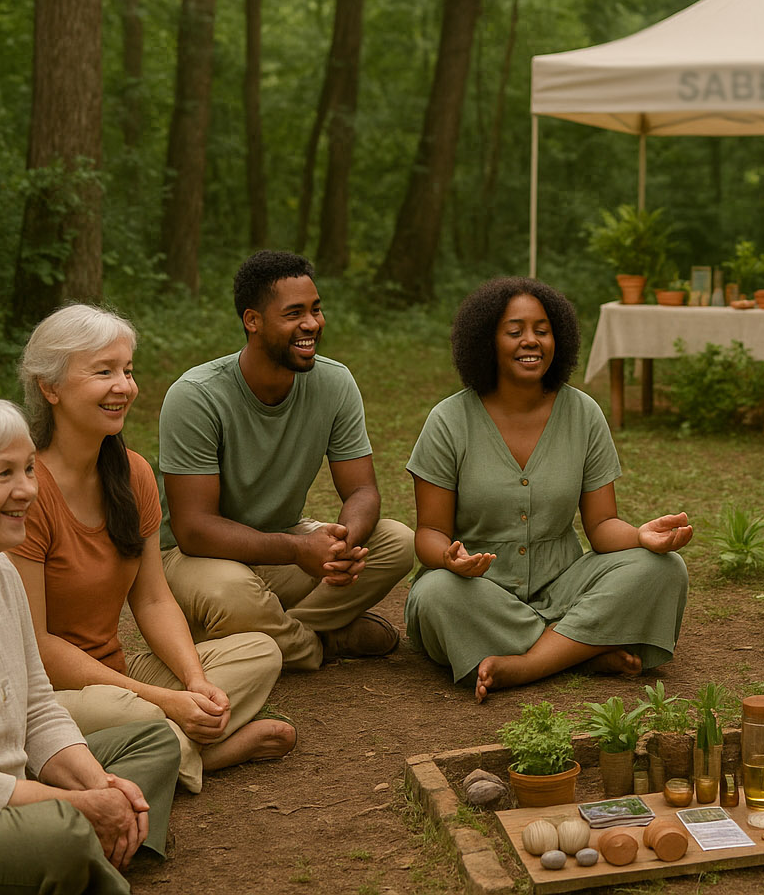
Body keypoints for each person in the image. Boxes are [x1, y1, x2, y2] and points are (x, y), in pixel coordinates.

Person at [9, 304, 295, 795]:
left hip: (118, 674)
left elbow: (154, 599)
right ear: (49, 388)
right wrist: (165, 700)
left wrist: (192, 681)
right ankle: (208, 753)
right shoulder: (25, 491)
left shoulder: (134, 473)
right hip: (46, 696)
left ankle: (165, 745)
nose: (124, 386)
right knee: (134, 710)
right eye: (103, 371)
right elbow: (36, 646)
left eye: (127, 370)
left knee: (260, 650)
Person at [0, 394, 181, 893]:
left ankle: (87, 851)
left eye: (29, 469)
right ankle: (89, 853)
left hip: (8, 789)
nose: (28, 489)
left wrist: (100, 786)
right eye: (4, 474)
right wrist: (76, 806)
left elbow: (36, 706)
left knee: (151, 739)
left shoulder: (0, 572)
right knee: (62, 829)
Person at [403, 277, 692, 702]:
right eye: (514, 331)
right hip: (478, 592)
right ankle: (580, 649)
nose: (531, 341)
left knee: (663, 568)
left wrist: (640, 537)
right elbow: (429, 532)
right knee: (433, 594)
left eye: (542, 330)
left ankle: (530, 663)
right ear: (488, 340)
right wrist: (448, 558)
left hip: (565, 586)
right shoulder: (448, 420)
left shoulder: (583, 413)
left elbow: (602, 524)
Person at [159, 251, 415, 671]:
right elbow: (194, 530)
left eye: (316, 309)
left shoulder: (335, 382)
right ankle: (317, 643)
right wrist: (298, 550)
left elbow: (362, 490)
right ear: (252, 320)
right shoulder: (196, 396)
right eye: (294, 313)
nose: (312, 324)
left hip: (280, 544)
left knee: (396, 542)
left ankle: (262, 636)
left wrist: (342, 543)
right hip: (197, 558)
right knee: (233, 594)